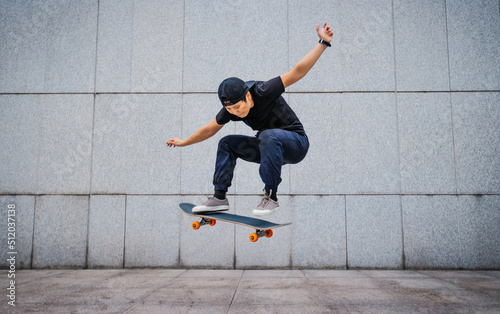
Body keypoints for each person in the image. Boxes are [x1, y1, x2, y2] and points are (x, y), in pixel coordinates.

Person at [167, 23, 333, 216]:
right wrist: (184, 142)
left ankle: (271, 197)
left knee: (268, 136)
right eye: (229, 109)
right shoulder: (230, 110)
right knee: (227, 143)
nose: (235, 112)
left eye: (237, 107)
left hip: (296, 144)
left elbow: (298, 71)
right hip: (269, 149)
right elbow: (209, 129)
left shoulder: (264, 90)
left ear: (247, 96)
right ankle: (219, 197)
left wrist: (323, 42)